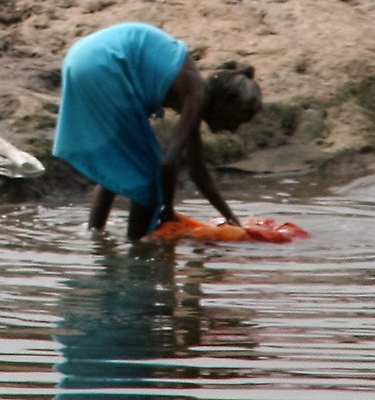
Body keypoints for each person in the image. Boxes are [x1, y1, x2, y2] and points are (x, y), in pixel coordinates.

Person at [53, 22, 261, 242]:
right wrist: (167, 213)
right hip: (106, 65)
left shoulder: (192, 91)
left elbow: (197, 170)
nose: (235, 128)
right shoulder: (196, 93)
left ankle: (94, 235)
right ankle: (139, 251)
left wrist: (232, 221)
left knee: (119, 163)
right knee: (148, 178)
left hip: (81, 58)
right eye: (239, 118)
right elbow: (167, 163)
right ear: (226, 103)